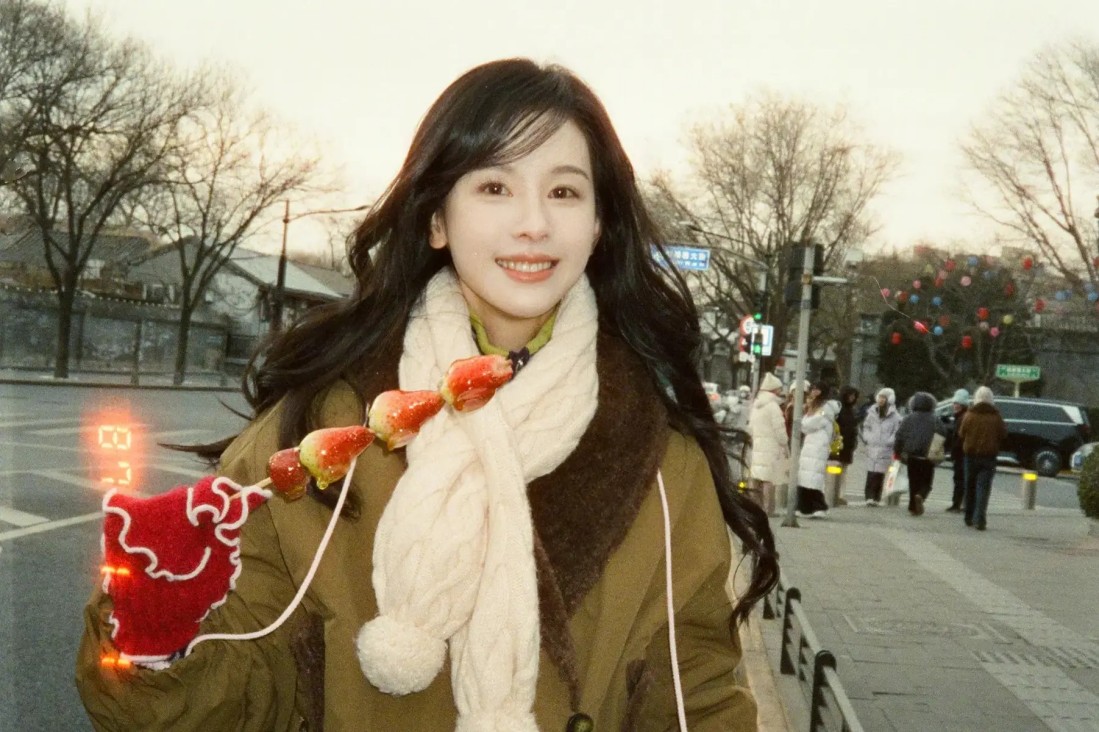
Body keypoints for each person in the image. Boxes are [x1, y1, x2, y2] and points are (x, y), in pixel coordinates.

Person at [74, 59, 777, 731]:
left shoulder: (659, 462)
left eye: (564, 192)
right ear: (437, 219)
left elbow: (698, 692)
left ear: (598, 225)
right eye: (494, 187)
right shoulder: (323, 428)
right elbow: (239, 696)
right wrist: (156, 629)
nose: (533, 222)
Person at [958, 386, 1008, 531]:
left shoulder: (970, 415)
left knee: (970, 486)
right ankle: (980, 518)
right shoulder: (996, 417)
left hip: (970, 456)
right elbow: (1003, 434)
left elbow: (961, 433)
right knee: (983, 488)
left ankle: (968, 516)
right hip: (989, 457)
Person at [893, 391, 946, 516]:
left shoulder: (908, 418)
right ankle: (921, 495)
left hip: (912, 455)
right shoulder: (935, 419)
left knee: (913, 481)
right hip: (929, 455)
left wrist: (897, 451)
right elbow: (943, 433)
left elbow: (899, 436)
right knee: (927, 482)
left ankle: (912, 507)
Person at [795, 384, 839, 518]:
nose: (813, 392)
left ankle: (819, 506)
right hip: (810, 446)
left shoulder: (825, 409)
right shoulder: (814, 407)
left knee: (814, 478)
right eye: (812, 389)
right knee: (805, 477)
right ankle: (805, 507)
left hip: (818, 447)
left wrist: (802, 422)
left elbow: (810, 424)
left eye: (817, 389)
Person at [748, 372, 789, 516]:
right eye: (779, 388)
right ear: (774, 389)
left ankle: (756, 507)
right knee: (769, 479)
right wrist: (785, 442)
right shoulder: (773, 407)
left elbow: (750, 427)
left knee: (756, 476)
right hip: (771, 447)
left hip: (758, 445)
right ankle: (769, 509)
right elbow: (779, 429)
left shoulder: (756, 406)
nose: (780, 391)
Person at [860, 388, 900, 505]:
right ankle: (869, 497)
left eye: (884, 398)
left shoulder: (895, 416)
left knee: (879, 473)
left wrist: (889, 441)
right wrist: (868, 437)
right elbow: (866, 426)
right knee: (871, 472)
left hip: (885, 448)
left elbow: (897, 431)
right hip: (872, 446)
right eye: (880, 397)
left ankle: (876, 497)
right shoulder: (872, 412)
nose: (881, 400)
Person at [833, 385, 860, 506]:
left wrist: (854, 442)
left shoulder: (852, 410)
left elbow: (853, 428)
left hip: (848, 444)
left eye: (854, 396)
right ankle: (834, 493)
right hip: (838, 443)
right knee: (835, 469)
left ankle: (840, 495)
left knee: (843, 470)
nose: (852, 398)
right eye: (850, 395)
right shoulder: (839, 409)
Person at [945, 388, 970, 513]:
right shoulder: (959, 417)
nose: (955, 405)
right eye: (954, 403)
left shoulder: (963, 418)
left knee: (960, 479)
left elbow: (959, 437)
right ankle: (959, 504)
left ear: (963, 404)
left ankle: (957, 504)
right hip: (960, 453)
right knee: (960, 479)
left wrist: (953, 450)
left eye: (958, 403)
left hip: (961, 453)